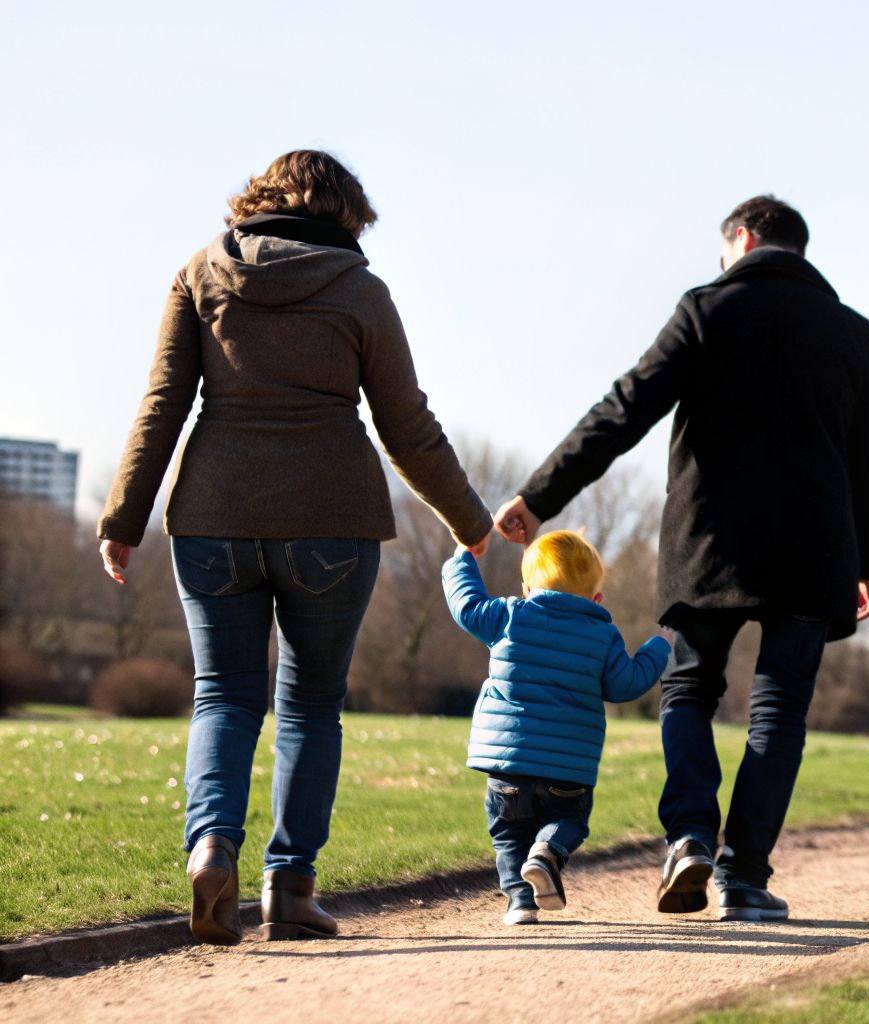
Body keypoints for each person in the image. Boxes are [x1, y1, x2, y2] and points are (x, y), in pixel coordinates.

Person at [95, 151, 493, 944]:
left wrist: (122, 517)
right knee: (310, 704)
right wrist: (469, 521)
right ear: (345, 213)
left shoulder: (200, 273)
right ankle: (289, 888)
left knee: (223, 694)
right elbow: (405, 425)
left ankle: (212, 846)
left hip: (213, 516)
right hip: (332, 523)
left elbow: (163, 402)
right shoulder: (360, 289)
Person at [491, 196, 869, 923]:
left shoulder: (707, 310)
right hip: (813, 554)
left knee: (687, 689)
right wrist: (868, 560)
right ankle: (744, 877)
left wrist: (541, 495)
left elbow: (624, 410)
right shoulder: (854, 334)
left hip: (709, 542)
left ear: (740, 238)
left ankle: (688, 837)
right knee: (779, 712)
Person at [443, 530, 673, 924]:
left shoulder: (510, 615)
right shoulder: (603, 635)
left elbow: (466, 605)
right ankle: (548, 851)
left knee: (508, 832)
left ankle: (520, 903)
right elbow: (626, 685)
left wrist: (462, 558)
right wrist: (659, 647)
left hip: (509, 762)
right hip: (569, 769)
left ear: (527, 588)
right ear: (597, 599)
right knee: (570, 821)